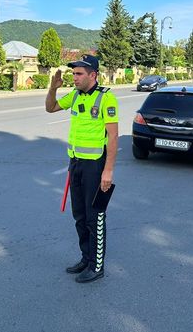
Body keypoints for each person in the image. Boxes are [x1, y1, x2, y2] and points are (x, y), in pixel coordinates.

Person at [45, 54, 119, 283]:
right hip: (75, 163)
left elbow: (113, 137)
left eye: (79, 73)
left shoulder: (106, 98)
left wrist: (108, 171)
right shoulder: (75, 95)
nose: (74, 77)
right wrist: (53, 88)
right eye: (73, 73)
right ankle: (86, 258)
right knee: (79, 215)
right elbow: (50, 108)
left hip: (95, 166)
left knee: (95, 216)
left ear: (92, 75)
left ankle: (97, 266)